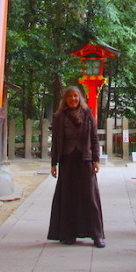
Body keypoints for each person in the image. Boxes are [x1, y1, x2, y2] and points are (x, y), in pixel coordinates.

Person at [47, 86, 105, 247]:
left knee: (90, 196)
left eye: (76, 96)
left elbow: (94, 137)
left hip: (84, 158)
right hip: (67, 159)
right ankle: (68, 233)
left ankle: (96, 235)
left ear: (80, 98)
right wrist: (53, 163)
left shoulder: (87, 115)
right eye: (70, 96)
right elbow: (56, 141)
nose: (73, 99)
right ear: (65, 99)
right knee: (68, 197)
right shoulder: (59, 117)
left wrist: (96, 159)